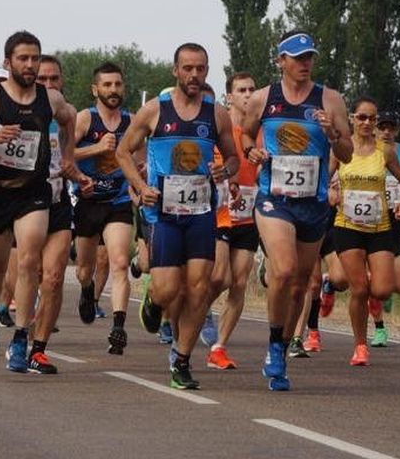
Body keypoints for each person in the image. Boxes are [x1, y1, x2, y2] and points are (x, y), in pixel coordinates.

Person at [0, 32, 79, 370]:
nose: (30, 65)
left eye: (35, 58)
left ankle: (22, 337)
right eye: (23, 58)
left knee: (29, 260)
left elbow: (70, 117)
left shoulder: (48, 99)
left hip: (33, 191)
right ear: (7, 62)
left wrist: (68, 158)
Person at [118, 43, 240, 390]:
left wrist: (224, 169)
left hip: (201, 212)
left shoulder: (216, 114)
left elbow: (233, 157)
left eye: (200, 68)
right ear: (175, 70)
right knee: (168, 288)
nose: (194, 75)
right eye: (187, 68)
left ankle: (181, 360)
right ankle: (154, 304)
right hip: (163, 213)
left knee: (200, 288)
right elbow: (123, 152)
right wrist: (141, 187)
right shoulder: (155, 110)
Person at [243, 31, 353, 391]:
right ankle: (276, 347)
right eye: (297, 57)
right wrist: (252, 152)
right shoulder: (263, 99)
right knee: (285, 269)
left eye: (309, 57)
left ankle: (280, 343)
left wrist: (333, 133)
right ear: (281, 61)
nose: (305, 63)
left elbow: (348, 152)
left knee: (299, 286)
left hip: (313, 203)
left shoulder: (330, 99)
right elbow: (245, 136)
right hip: (274, 198)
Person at [328, 95, 400, 366]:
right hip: (347, 226)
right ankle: (360, 345)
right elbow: (324, 179)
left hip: (379, 226)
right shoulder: (341, 148)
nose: (367, 123)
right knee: (360, 289)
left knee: (384, 289)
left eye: (372, 118)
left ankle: (337, 285)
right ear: (352, 118)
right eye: (361, 117)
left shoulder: (384, 151)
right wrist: (330, 191)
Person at [16, 54, 85, 374]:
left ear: (62, 82)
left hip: (57, 201)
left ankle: (39, 349)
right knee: (28, 271)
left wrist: (77, 174)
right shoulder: (18, 110)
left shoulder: (67, 116)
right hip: (21, 202)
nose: (47, 85)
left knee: (54, 277)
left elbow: (70, 155)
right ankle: (9, 327)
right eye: (41, 79)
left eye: (53, 79)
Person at [71, 61, 136, 355]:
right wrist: (96, 148)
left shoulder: (132, 122)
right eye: (107, 85)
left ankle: (118, 327)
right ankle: (87, 291)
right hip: (88, 201)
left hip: (118, 202)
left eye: (118, 84)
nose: (113, 90)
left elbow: (141, 158)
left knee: (120, 261)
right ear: (95, 89)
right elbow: (63, 154)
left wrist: (140, 172)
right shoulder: (85, 119)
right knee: (85, 269)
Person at [206, 71, 262, 370]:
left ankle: (218, 347)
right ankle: (193, 314)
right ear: (229, 96)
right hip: (218, 212)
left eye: (252, 89)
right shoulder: (218, 126)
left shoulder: (260, 131)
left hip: (249, 213)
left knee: (239, 282)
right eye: (242, 89)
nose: (248, 94)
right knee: (220, 278)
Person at [370, 113, 400, 346]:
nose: (386, 132)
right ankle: (379, 328)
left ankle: (385, 290)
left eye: (391, 128)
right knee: (376, 283)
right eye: (382, 128)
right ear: (375, 129)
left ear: (397, 130)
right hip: (371, 221)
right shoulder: (365, 151)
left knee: (398, 285)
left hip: (398, 221)